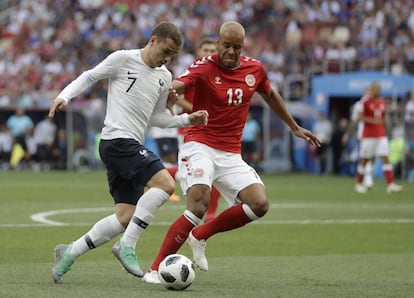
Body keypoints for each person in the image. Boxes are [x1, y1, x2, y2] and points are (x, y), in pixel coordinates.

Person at [142, 21, 320, 284]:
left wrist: (294, 127)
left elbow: (270, 95)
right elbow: (179, 84)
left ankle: (200, 235)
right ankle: (155, 269)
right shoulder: (204, 67)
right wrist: (170, 94)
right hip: (199, 144)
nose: (231, 51)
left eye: (237, 47)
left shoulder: (254, 69)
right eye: (226, 45)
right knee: (199, 203)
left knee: (259, 204)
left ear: (242, 47)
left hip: (230, 153)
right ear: (218, 44)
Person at [49, 22, 209, 284]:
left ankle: (68, 253)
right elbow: (90, 76)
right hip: (115, 141)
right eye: (166, 50)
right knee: (166, 184)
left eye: (173, 55)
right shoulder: (123, 59)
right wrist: (65, 96)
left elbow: (157, 117)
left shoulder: (164, 76)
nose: (167, 58)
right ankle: (127, 245)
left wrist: (186, 120)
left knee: (125, 216)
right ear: (153, 40)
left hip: (130, 145)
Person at [173, 36, 222, 221]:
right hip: (190, 129)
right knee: (190, 173)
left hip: (212, 129)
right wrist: (194, 111)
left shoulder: (219, 72)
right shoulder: (194, 71)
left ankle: (210, 214)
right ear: (198, 52)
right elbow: (174, 94)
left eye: (212, 51)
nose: (209, 54)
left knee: (214, 172)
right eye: (205, 50)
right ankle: (153, 178)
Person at [354, 82, 403, 194]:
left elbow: (383, 118)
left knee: (385, 157)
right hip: (368, 135)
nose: (378, 91)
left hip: (381, 134)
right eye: (376, 89)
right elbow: (360, 117)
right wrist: (374, 121)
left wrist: (385, 127)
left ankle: (390, 184)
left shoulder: (382, 102)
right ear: (371, 90)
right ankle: (359, 183)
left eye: (379, 89)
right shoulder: (365, 101)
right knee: (365, 159)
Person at [343, 88, 374, 187]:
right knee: (364, 155)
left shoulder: (375, 103)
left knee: (371, 155)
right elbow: (354, 121)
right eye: (366, 93)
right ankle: (364, 178)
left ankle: (367, 177)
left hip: (374, 133)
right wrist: (348, 134)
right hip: (363, 133)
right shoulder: (359, 105)